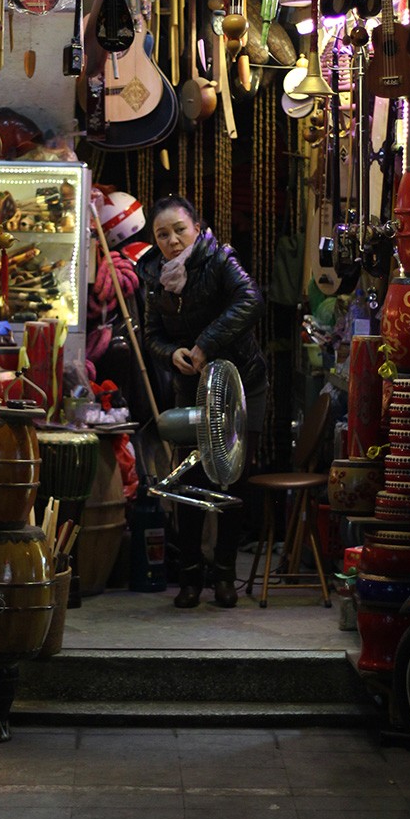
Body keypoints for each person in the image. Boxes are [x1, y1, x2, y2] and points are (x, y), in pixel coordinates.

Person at [138, 195, 268, 609]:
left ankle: (225, 577)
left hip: (241, 384)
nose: (173, 240)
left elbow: (250, 300)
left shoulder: (220, 259)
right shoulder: (153, 272)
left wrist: (204, 344)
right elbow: (151, 332)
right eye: (163, 234)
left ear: (196, 226)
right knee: (188, 480)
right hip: (190, 387)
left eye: (179, 229)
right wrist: (170, 353)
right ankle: (191, 578)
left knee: (231, 479)